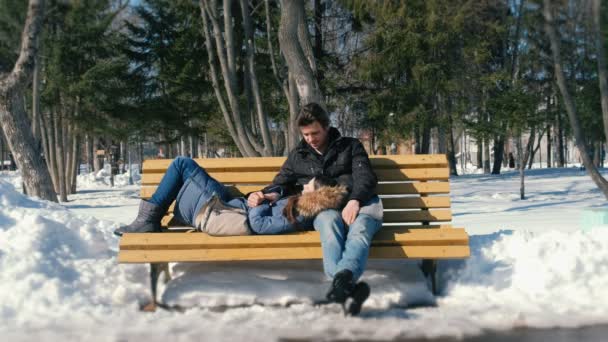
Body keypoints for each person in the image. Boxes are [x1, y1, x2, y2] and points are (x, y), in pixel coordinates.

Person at [247, 103, 383, 313]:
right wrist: (267, 194)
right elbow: (281, 182)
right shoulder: (299, 155)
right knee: (328, 224)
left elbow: (365, 177)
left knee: (361, 230)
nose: (311, 139)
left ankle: (342, 285)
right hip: (326, 210)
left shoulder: (350, 146)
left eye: (315, 133)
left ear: (327, 127)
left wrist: (355, 200)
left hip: (362, 202)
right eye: (306, 134)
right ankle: (347, 285)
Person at [114, 157, 345, 236]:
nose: (304, 188)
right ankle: (149, 220)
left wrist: (259, 203)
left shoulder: (299, 214)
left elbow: (260, 225)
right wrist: (269, 194)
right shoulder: (301, 204)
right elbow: (282, 193)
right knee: (183, 165)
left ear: (317, 197)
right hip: (232, 204)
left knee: (181, 164)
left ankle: (147, 220)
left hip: (226, 210)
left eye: (309, 187)